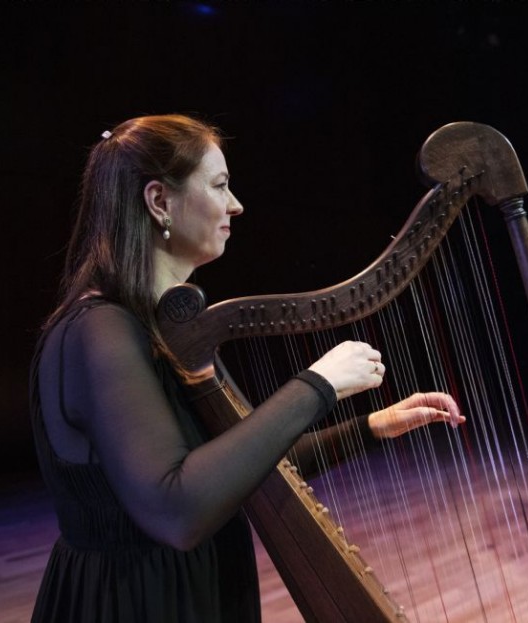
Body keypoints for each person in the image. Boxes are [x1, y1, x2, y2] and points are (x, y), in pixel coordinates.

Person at [29, 114, 465, 622]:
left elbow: (242, 468)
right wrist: (317, 386)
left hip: (190, 593)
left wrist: (371, 427)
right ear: (159, 201)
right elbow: (179, 510)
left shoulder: (164, 326)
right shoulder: (99, 330)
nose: (236, 205)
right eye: (219, 185)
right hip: (136, 603)